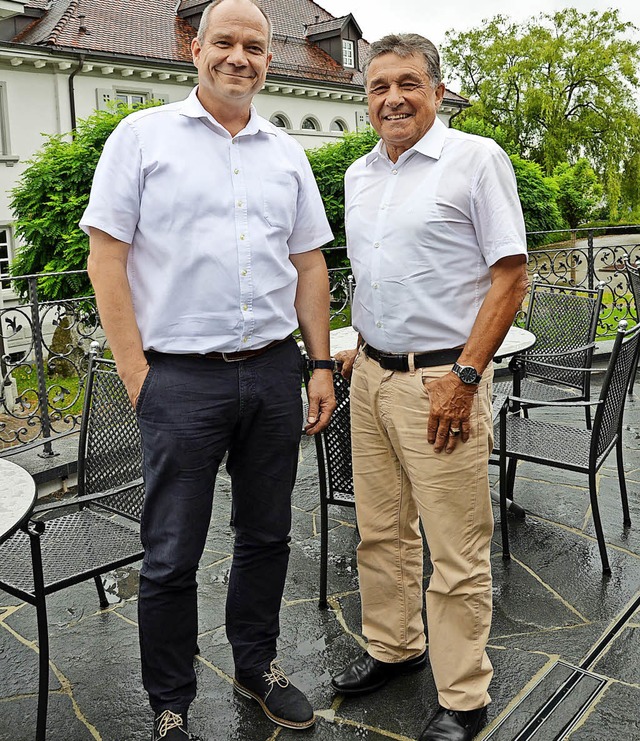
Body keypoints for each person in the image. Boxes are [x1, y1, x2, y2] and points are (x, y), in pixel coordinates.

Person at [81, 1, 336, 738]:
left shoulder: (285, 151)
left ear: (268, 58)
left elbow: (309, 263)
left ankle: (257, 665)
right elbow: (108, 258)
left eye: (254, 46)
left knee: (266, 534)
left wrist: (318, 363)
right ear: (195, 48)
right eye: (225, 42)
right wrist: (137, 374)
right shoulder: (142, 137)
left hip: (271, 372)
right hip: (179, 381)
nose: (239, 57)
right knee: (170, 552)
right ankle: (171, 701)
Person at [330, 34, 529, 741]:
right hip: (373, 375)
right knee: (380, 531)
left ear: (437, 92)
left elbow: (511, 277)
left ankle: (465, 697)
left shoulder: (475, 161)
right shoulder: (359, 175)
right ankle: (394, 647)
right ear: (366, 98)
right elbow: (375, 274)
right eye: (378, 86)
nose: (392, 98)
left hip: (445, 380)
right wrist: (360, 344)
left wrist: (466, 377)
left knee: (455, 547)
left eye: (408, 83)